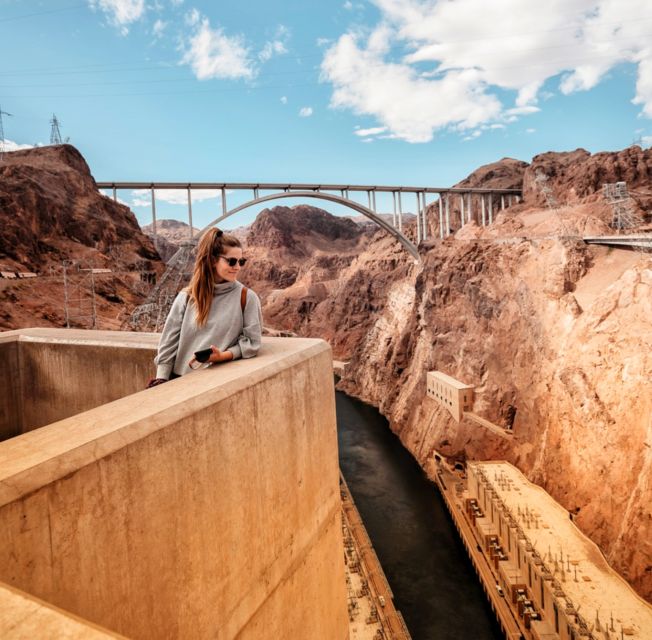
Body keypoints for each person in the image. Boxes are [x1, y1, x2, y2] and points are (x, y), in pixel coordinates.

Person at [147, 227, 262, 386]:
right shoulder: (187, 297)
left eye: (241, 261)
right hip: (179, 382)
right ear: (213, 260)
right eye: (231, 261)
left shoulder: (247, 297)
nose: (237, 267)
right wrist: (161, 378)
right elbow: (169, 341)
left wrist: (223, 356)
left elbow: (252, 342)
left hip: (215, 385)